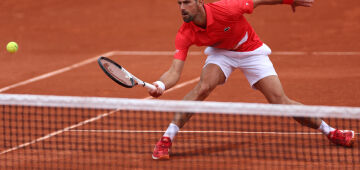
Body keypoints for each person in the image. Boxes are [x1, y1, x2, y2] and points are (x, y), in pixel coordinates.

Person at [148, 0, 355, 160]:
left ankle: (332, 132)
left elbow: (259, 0)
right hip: (222, 53)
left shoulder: (227, 8)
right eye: (179, 3)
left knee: (280, 102)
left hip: (251, 51)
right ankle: (166, 138)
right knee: (203, 87)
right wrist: (161, 84)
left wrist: (289, 1)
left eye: (186, 2)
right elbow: (175, 72)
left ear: (199, 2)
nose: (182, 7)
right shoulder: (185, 33)